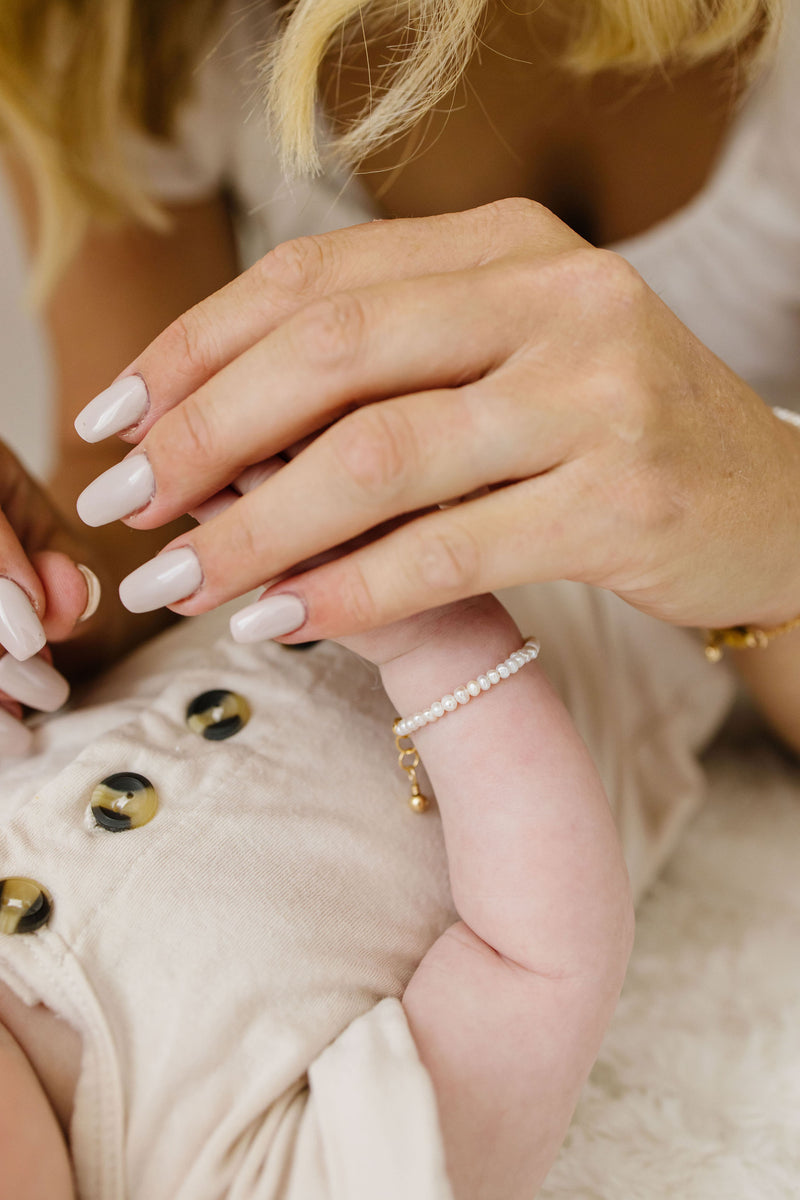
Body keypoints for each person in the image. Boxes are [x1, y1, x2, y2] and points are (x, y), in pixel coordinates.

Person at [0, 0, 796, 1192]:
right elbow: (536, 961)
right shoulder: (241, 1168)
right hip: (603, 656)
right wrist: (436, 648)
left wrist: (32, 606)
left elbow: (116, 516)